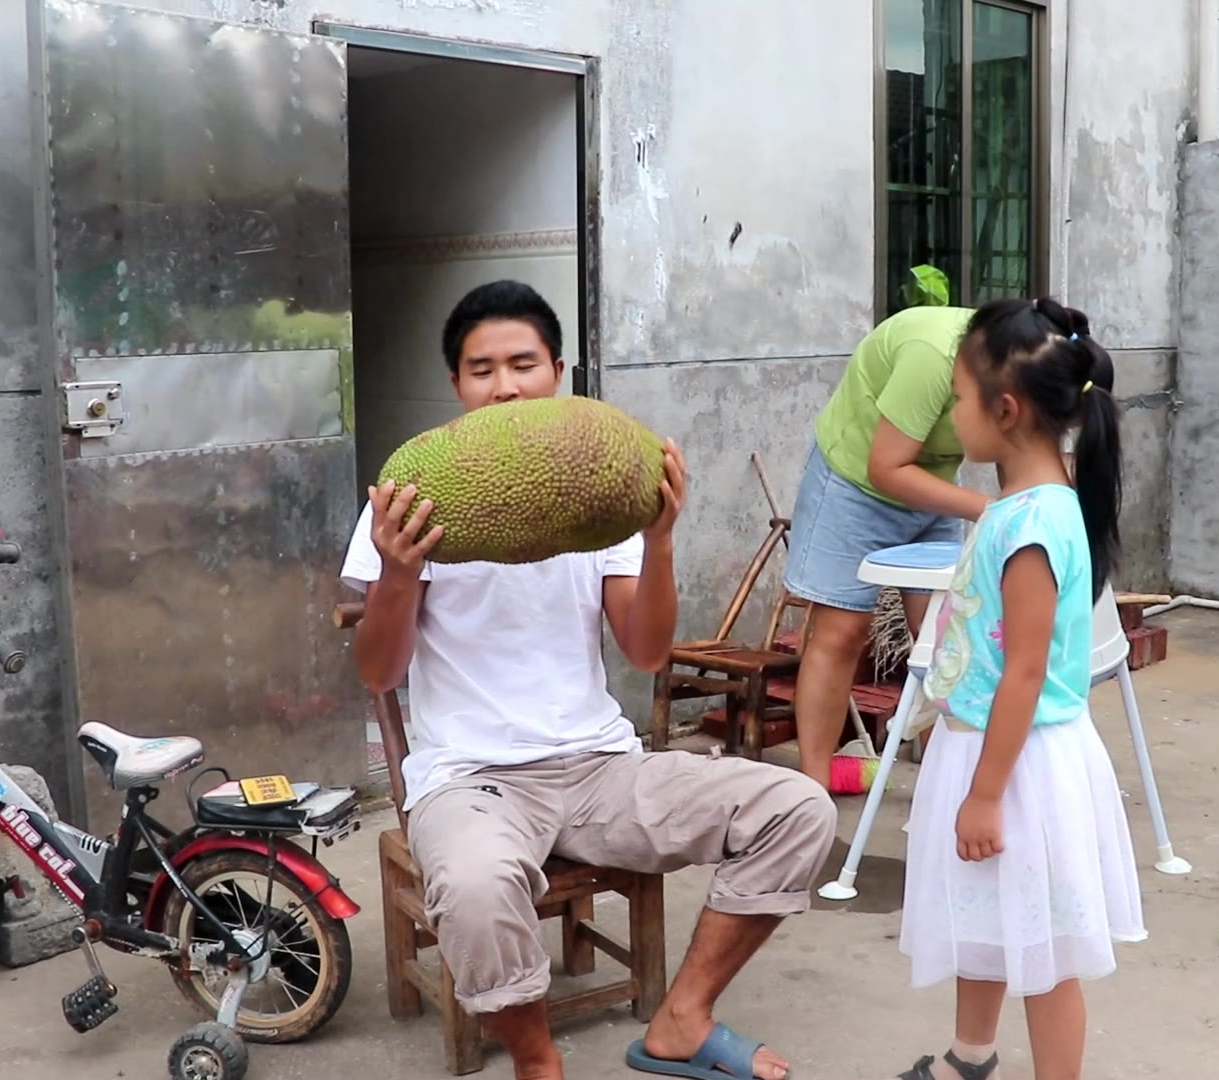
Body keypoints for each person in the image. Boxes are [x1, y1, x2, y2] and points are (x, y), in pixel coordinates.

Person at [344, 279, 838, 1080]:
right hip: (471, 779)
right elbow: (378, 670)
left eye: (523, 364)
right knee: (473, 888)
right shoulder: (413, 504)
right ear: (456, 386)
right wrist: (400, 573)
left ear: (559, 371)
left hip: (600, 768)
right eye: (481, 370)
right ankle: (537, 1061)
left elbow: (645, 653)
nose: (504, 386)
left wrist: (662, 540)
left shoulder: (597, 490)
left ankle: (683, 1017)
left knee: (797, 809)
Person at [891, 298, 1147, 1080]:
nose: (950, 411)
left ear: (1005, 410)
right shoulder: (1023, 504)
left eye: (959, 396)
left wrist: (984, 793)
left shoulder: (1031, 525)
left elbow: (1027, 674)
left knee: (1045, 949)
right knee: (989, 919)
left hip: (1020, 767)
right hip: (993, 752)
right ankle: (968, 1057)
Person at [786, 303, 990, 790]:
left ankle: (949, 779)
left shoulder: (1017, 371)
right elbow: (887, 467)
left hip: (935, 483)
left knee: (947, 635)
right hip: (857, 482)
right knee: (841, 632)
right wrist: (991, 509)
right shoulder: (931, 355)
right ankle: (812, 790)